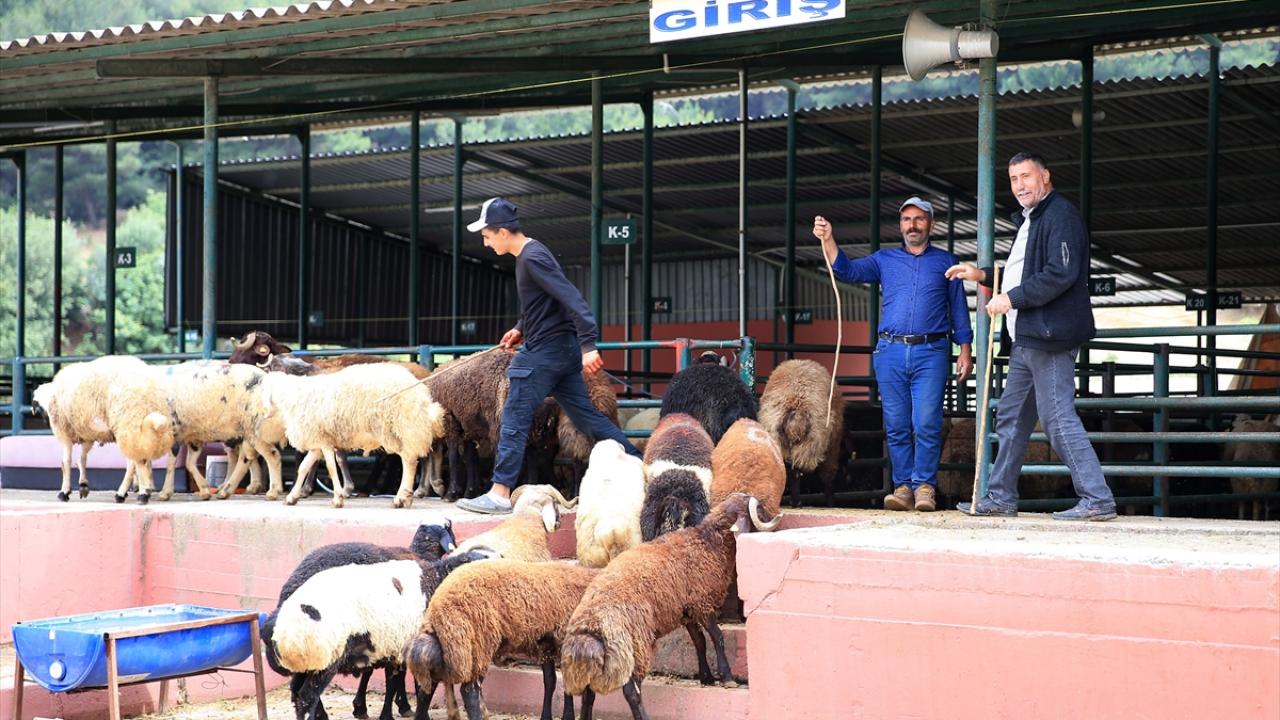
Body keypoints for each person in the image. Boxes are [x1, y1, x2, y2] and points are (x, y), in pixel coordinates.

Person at [946, 152, 1117, 521]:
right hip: (1026, 336)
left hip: (1049, 335)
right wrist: (982, 276)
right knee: (1011, 417)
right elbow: (1023, 273)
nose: (1019, 185)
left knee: (1056, 417)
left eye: (1026, 176)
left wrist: (1011, 298)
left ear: (1045, 176)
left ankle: (1097, 498)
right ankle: (1000, 496)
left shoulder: (1061, 216)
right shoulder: (1031, 219)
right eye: (1013, 179)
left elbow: (1061, 272)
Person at [457, 197, 643, 514]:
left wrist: (589, 345)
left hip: (545, 352)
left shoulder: (531, 259)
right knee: (587, 418)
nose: (486, 243)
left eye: (486, 236)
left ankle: (500, 493)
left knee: (514, 416)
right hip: (560, 350)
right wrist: (520, 327)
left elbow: (572, 298)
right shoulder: (533, 252)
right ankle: (642, 467)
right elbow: (546, 303)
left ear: (502, 231)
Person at [814, 197, 974, 512]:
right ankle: (903, 488)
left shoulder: (946, 261)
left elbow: (958, 309)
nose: (912, 225)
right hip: (890, 350)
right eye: (906, 219)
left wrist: (965, 349)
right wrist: (828, 238)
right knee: (898, 424)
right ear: (900, 225)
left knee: (926, 422)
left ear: (931, 223)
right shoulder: (884, 259)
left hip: (932, 350)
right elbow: (847, 270)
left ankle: (925, 486)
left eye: (918, 219)